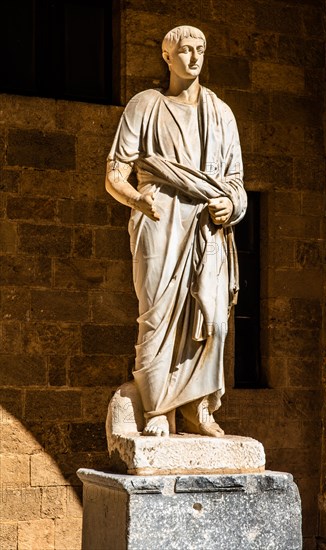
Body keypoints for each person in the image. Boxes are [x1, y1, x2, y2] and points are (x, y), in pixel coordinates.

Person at [105, 25, 247, 437]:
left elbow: (236, 182)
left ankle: (197, 407)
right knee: (156, 315)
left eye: (200, 49)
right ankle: (156, 411)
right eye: (185, 50)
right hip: (159, 217)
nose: (194, 57)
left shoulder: (220, 113)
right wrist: (137, 200)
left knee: (214, 320)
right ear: (167, 57)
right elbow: (115, 172)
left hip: (207, 224)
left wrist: (231, 204)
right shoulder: (146, 105)